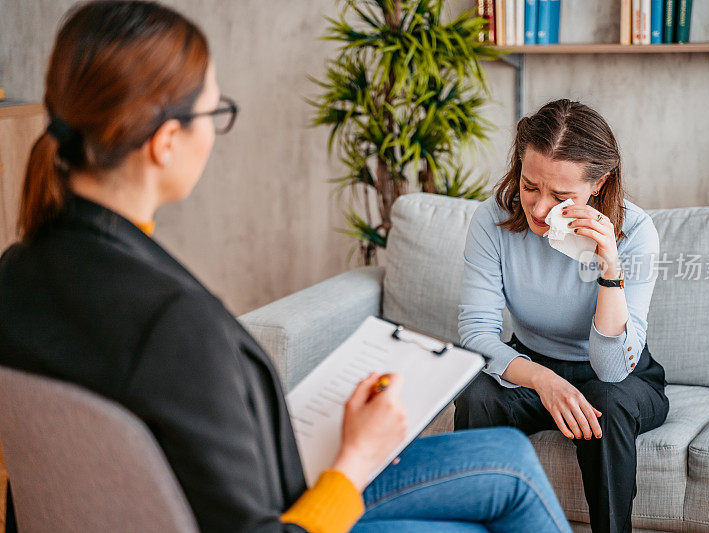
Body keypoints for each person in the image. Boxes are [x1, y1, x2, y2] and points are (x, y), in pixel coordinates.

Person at [0, 2, 572, 532]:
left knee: (511, 458)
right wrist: (356, 460)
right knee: (491, 498)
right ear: (166, 141)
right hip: (287, 511)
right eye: (214, 111)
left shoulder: (19, 272)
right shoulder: (170, 324)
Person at [454, 99, 670, 533]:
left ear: (599, 183)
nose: (537, 208)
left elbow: (611, 370)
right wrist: (543, 380)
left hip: (621, 377)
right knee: (477, 391)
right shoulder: (492, 220)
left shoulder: (636, 231)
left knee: (605, 405)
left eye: (561, 196)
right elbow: (475, 333)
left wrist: (610, 268)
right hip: (532, 365)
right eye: (530, 185)